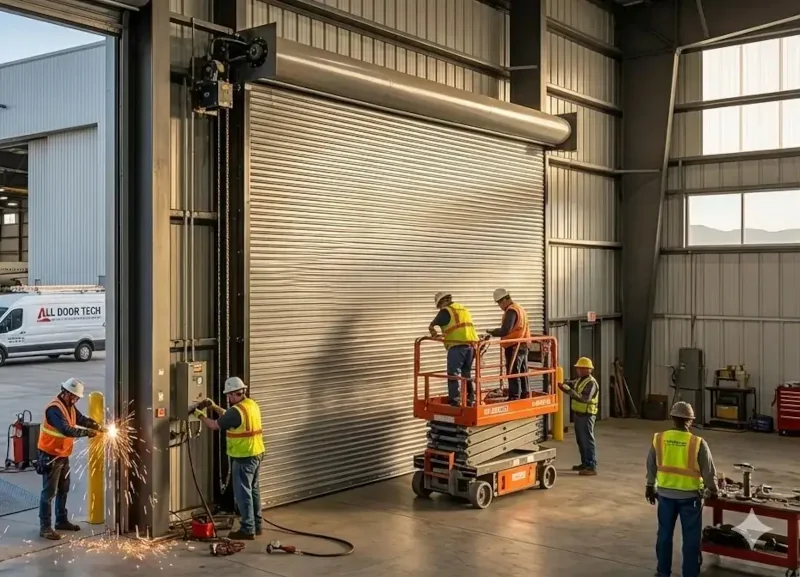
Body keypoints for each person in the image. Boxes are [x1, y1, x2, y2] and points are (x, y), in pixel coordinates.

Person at [646, 401, 719, 577]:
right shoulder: (698, 443)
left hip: (664, 495)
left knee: (664, 535)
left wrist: (650, 486)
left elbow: (651, 465)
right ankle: (690, 573)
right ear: (690, 421)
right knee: (691, 539)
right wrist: (714, 490)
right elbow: (709, 472)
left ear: (672, 418)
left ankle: (663, 572)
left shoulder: (659, 438)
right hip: (691, 498)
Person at [195, 377, 265, 540]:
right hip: (256, 453)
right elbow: (228, 416)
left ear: (235, 393)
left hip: (243, 457)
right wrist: (213, 406)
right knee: (253, 490)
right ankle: (257, 525)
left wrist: (199, 415)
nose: (228, 398)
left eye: (229, 395)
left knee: (243, 493)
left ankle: (248, 529)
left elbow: (214, 425)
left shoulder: (236, 411)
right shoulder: (250, 405)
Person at [37, 378, 105, 540]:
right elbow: (66, 430)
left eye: (77, 398)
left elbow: (81, 420)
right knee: (49, 492)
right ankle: (45, 527)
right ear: (65, 393)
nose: (76, 400)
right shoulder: (54, 409)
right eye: (74, 396)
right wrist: (87, 433)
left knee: (63, 488)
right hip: (50, 455)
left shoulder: (70, 407)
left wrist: (97, 426)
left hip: (62, 454)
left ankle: (61, 520)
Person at [428, 292, 479, 407]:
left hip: (457, 345)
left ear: (442, 302)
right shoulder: (463, 309)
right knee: (466, 373)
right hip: (471, 345)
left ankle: (454, 401)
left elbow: (432, 325)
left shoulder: (446, 311)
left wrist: (434, 333)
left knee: (453, 374)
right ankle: (470, 399)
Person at [486, 288, 530, 401]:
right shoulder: (519, 308)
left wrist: (492, 331)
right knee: (522, 370)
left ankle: (514, 396)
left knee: (513, 371)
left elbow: (506, 330)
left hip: (514, 345)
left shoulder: (511, 310)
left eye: (499, 303)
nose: (499, 306)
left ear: (504, 300)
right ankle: (525, 393)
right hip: (523, 344)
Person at [559, 357, 599, 476]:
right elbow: (570, 383)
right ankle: (585, 463)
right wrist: (564, 384)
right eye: (578, 368)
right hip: (579, 415)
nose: (578, 370)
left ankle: (591, 466)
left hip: (587, 415)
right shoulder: (579, 380)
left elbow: (584, 398)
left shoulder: (591, 383)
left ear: (588, 370)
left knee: (587, 440)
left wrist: (569, 391)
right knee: (581, 441)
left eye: (581, 368)